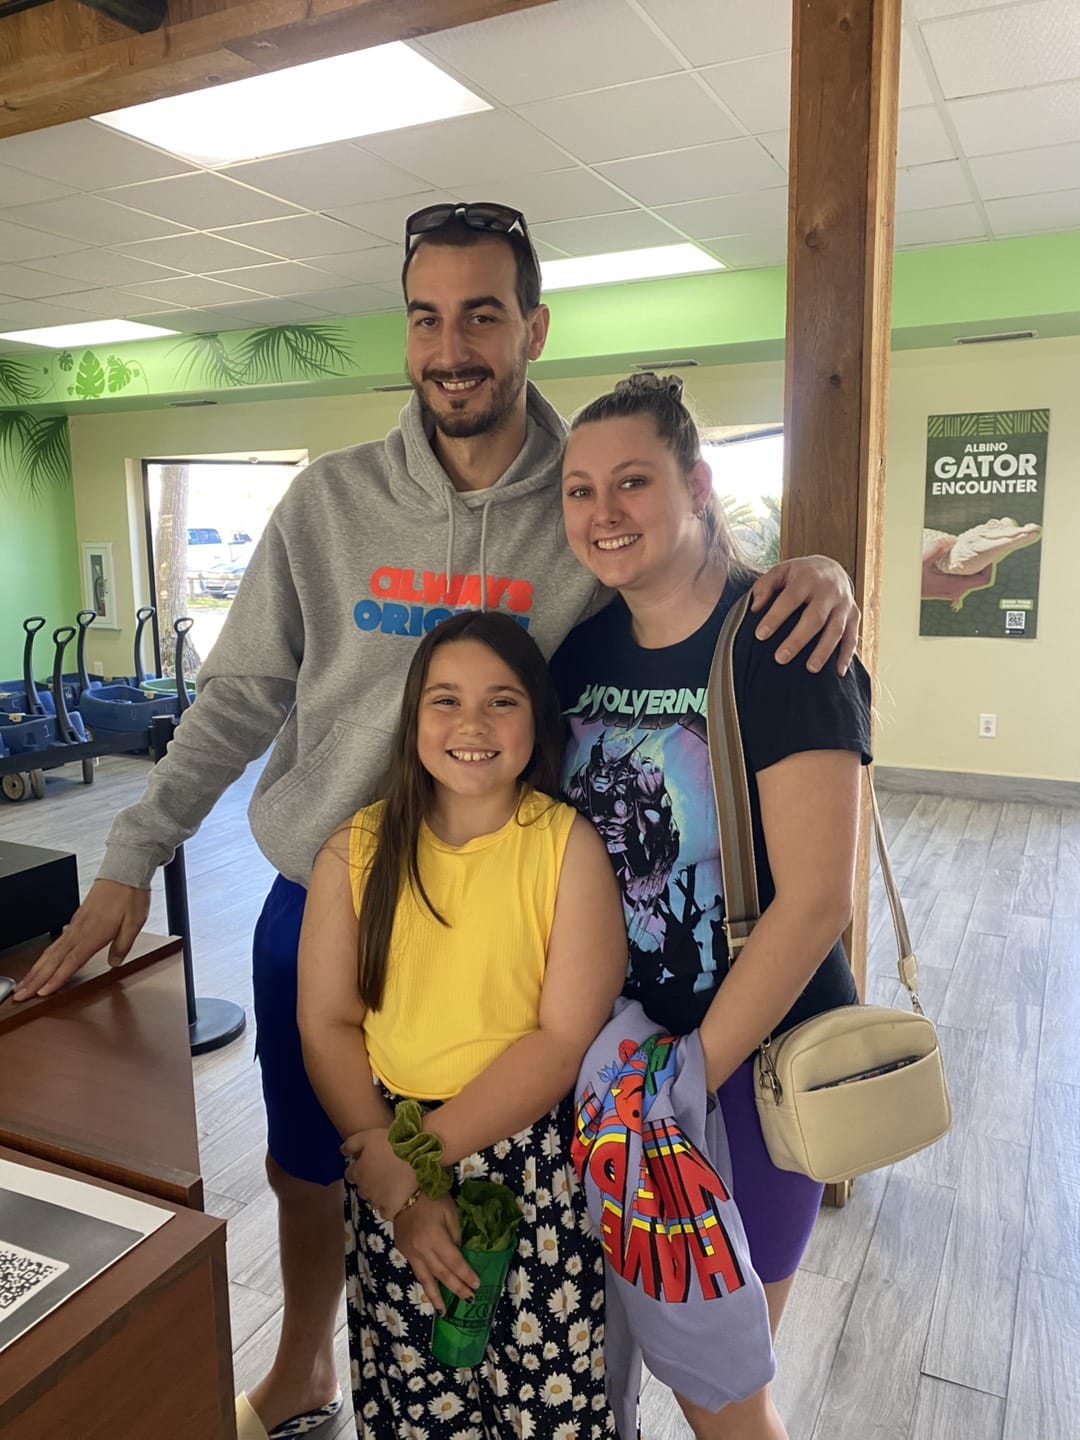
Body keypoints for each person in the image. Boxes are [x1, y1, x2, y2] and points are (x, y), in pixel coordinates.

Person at [15, 205, 861, 1439]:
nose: (452, 346)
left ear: (532, 328)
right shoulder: (328, 502)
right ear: (404, 331)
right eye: (426, 316)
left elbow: (691, 568)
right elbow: (240, 694)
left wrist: (822, 572)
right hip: (330, 895)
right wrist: (133, 854)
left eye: (482, 315)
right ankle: (308, 1368)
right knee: (314, 1168)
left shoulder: (584, 497)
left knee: (525, 1192)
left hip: (513, 913)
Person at [549, 373, 874, 1440]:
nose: (604, 513)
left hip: (750, 1073)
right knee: (617, 1369)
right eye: (580, 489)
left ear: (696, 483)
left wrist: (689, 1078)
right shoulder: (580, 655)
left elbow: (819, 897)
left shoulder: (784, 637)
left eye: (633, 481)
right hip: (623, 1070)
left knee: (724, 1403)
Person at [296, 609, 627, 1438]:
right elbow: (328, 1021)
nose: (471, 724)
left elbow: (559, 1043)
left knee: (549, 1402)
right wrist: (397, 1180)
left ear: (536, 719)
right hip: (388, 1141)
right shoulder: (353, 849)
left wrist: (417, 1166)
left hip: (530, 1166)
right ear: (412, 720)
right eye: (444, 700)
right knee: (417, 1401)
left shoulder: (565, 847)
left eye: (501, 701)